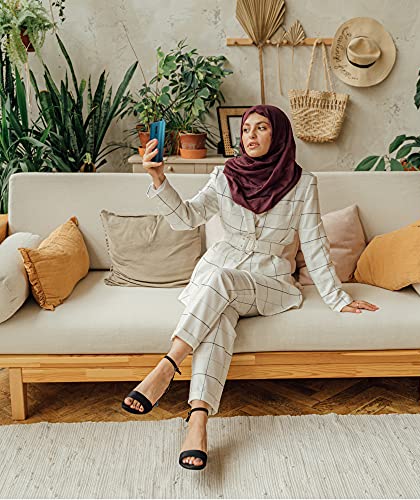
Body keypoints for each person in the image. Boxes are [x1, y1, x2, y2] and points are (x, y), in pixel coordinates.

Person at [122, 104, 380, 470]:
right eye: (245, 130)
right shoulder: (224, 175)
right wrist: (158, 179)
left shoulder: (303, 184)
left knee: (222, 281)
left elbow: (314, 243)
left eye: (261, 128)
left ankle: (168, 364)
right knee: (220, 315)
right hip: (220, 278)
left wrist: (338, 299)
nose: (251, 136)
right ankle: (198, 422)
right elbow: (186, 219)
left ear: (279, 134)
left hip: (269, 281)